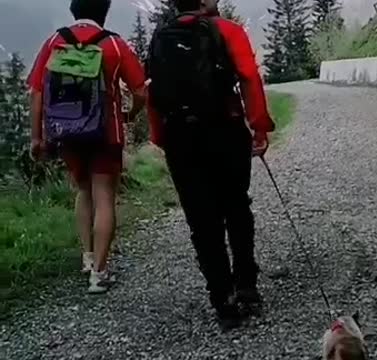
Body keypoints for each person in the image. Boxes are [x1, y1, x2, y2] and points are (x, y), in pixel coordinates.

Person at [146, 0, 274, 328]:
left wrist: (161, 135)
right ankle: (246, 286)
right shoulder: (227, 30)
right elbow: (248, 76)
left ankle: (223, 301)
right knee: (236, 206)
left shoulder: (160, 36)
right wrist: (258, 125)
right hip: (225, 129)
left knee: (202, 222)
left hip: (180, 138)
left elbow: (154, 92)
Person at [28, 0, 146, 293]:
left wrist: (37, 137)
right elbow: (141, 90)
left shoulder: (55, 41)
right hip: (106, 133)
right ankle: (100, 274)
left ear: (73, 10)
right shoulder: (115, 45)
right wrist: (130, 114)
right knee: (104, 195)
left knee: (83, 190)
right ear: (104, 12)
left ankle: (88, 257)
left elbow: (36, 92)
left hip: (66, 131)